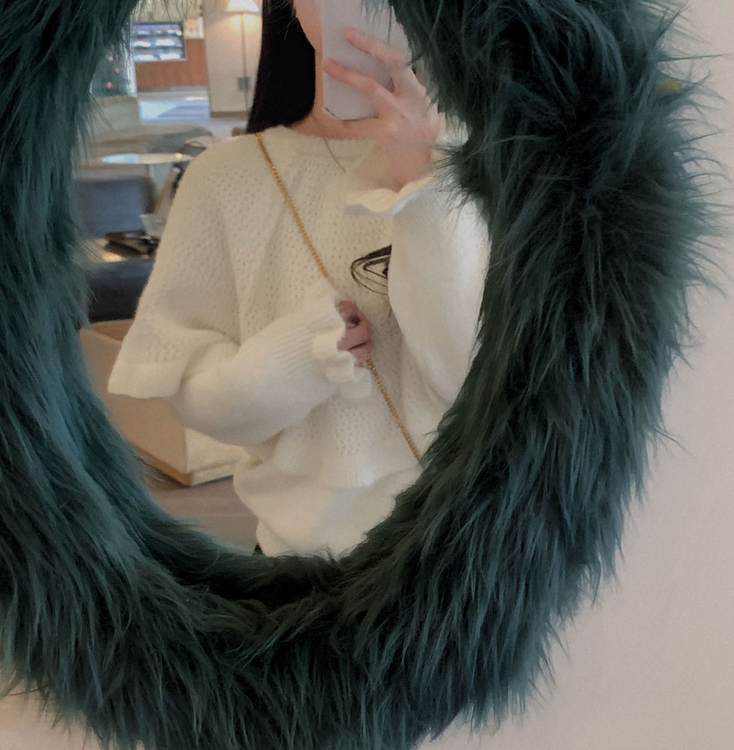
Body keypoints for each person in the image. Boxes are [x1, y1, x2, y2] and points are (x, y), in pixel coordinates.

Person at [109, 0, 488, 557]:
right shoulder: (226, 178)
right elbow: (192, 393)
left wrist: (420, 173)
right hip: (296, 568)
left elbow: (482, 381)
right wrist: (296, 359)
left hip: (468, 557)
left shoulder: (491, 163)